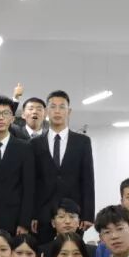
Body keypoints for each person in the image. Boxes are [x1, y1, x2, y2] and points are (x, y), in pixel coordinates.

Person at [32, 91, 95, 238]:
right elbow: (32, 182)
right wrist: (32, 214)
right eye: (53, 107)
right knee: (44, 249)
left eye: (62, 107)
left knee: (73, 249)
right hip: (43, 212)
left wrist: (88, 214)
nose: (57, 111)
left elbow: (88, 179)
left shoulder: (82, 142)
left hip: (74, 212)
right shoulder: (35, 143)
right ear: (46, 111)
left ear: (69, 111)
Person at [0, 95, 36, 235]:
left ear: (12, 118)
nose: (0, 118)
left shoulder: (25, 148)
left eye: (5, 113)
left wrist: (24, 222)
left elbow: (29, 188)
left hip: (14, 220)